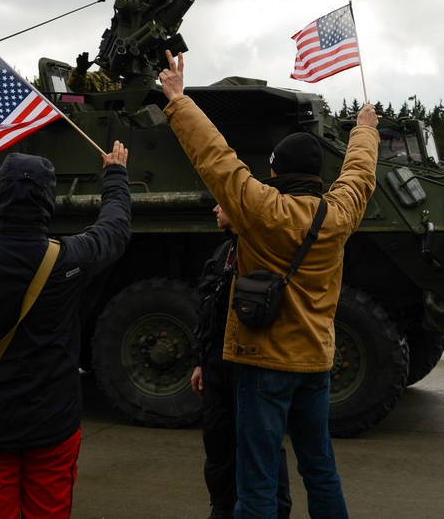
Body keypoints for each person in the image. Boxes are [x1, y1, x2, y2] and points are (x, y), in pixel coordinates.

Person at [159, 51, 378, 519]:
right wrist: (365, 129)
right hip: (316, 361)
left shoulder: (261, 210)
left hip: (263, 363)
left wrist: (178, 100)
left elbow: (216, 158)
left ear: (276, 172)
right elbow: (359, 174)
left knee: (256, 479)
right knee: (320, 467)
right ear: (316, 174)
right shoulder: (339, 214)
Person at [0, 142, 132, 519]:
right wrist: (114, 176)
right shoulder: (69, 257)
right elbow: (114, 231)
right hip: (54, 420)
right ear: (47, 201)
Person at [192, 203, 291, 519]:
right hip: (217, 364)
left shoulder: (264, 252)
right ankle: (222, 508)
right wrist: (200, 361)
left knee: (262, 444)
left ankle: (276, 511)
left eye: (222, 203)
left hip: (250, 363)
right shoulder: (224, 251)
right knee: (217, 443)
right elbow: (208, 310)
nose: (215, 209)